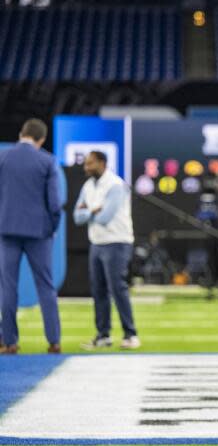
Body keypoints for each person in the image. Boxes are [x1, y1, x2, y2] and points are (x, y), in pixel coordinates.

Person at [0, 119, 63, 354]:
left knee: (8, 288)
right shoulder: (47, 161)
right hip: (39, 232)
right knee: (46, 287)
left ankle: (9, 342)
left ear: (21, 133)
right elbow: (55, 204)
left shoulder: (3, 158)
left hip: (7, 231)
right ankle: (54, 341)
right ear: (42, 139)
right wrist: (52, 227)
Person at [73, 151, 140, 350]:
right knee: (98, 290)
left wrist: (88, 211)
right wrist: (94, 210)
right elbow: (77, 217)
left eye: (90, 163)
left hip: (117, 241)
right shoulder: (88, 186)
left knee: (117, 289)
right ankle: (103, 335)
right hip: (97, 242)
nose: (86, 167)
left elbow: (105, 217)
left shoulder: (115, 185)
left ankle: (131, 334)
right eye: (86, 163)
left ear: (102, 163)